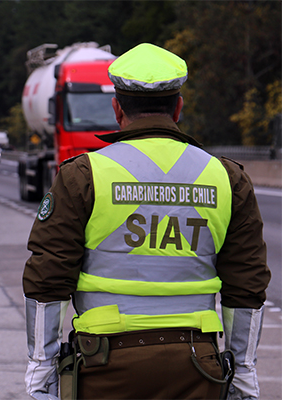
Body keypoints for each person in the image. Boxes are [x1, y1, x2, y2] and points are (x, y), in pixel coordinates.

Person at [23, 43, 270, 400]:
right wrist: (243, 372)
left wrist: (40, 368)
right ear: (179, 108)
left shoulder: (83, 175)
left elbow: (48, 280)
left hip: (104, 366)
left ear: (117, 108)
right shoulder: (227, 179)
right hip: (197, 366)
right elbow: (246, 287)